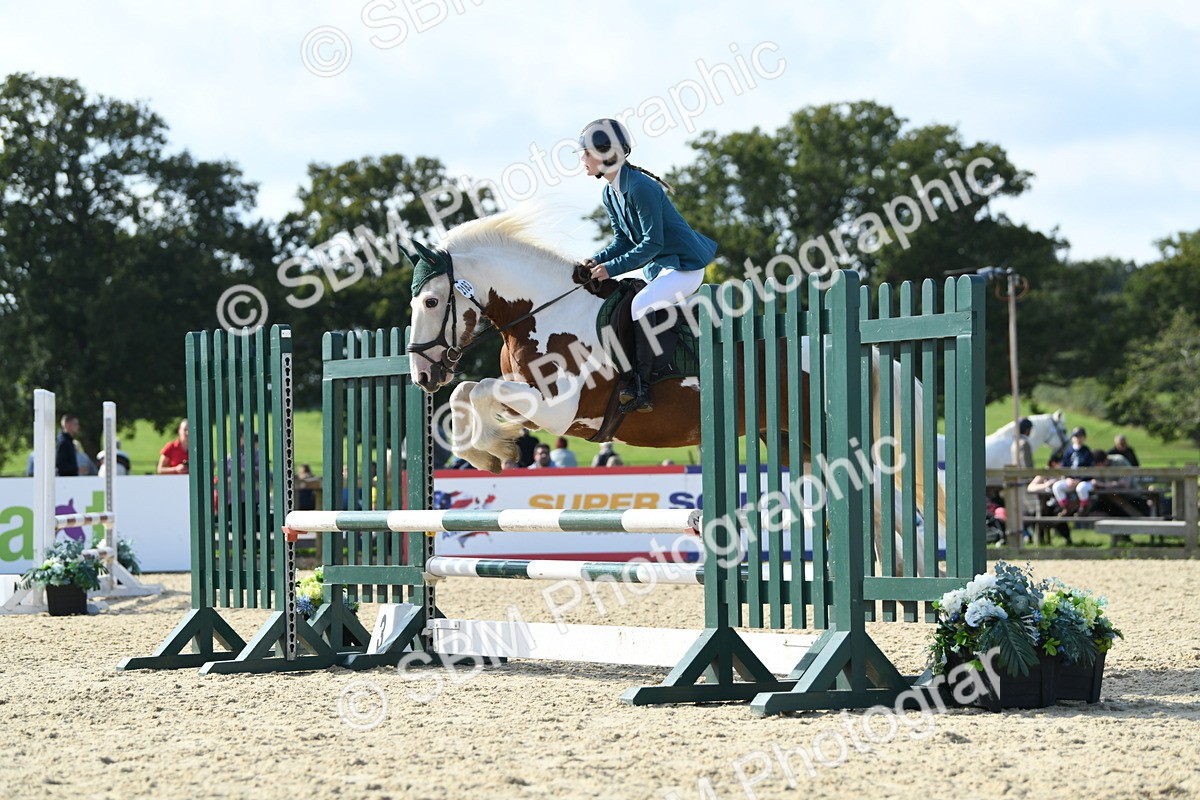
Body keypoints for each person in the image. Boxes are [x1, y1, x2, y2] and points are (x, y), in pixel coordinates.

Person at [578, 118, 717, 413]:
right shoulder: (609, 192)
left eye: (586, 152)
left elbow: (652, 244)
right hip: (660, 270)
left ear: (605, 154)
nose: (582, 159)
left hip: (684, 267)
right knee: (626, 302)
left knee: (640, 305)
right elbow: (623, 241)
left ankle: (641, 388)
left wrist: (611, 269)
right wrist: (597, 260)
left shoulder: (641, 188)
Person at [1051, 427, 1094, 516]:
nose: (1078, 438)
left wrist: (1080, 479)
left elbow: (1090, 469)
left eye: (1080, 436)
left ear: (1084, 437)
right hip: (1070, 480)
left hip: (1083, 480)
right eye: (1076, 436)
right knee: (1057, 486)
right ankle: (1066, 508)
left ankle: (1083, 509)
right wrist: (1068, 478)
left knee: (1081, 488)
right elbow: (1064, 467)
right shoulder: (1068, 451)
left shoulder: (1086, 451)